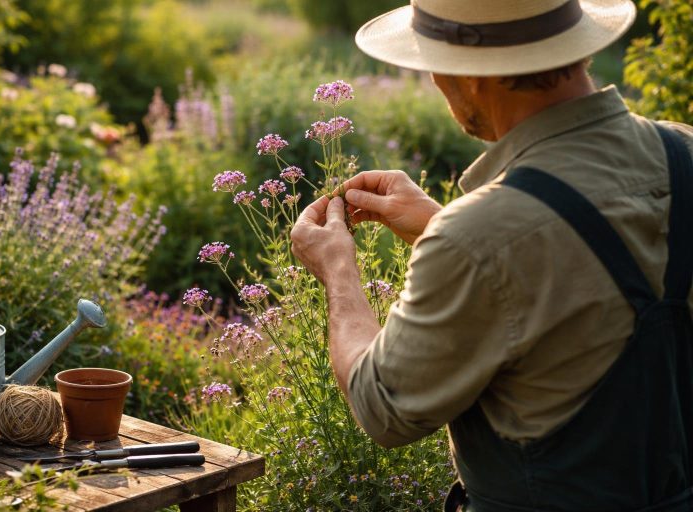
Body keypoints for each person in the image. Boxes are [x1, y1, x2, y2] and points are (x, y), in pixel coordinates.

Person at [289, 0, 693, 510]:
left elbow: (382, 406)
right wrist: (445, 226)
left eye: (432, 61)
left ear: (475, 75)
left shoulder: (477, 237)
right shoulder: (684, 152)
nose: (434, 80)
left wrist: (337, 268)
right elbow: (601, 287)